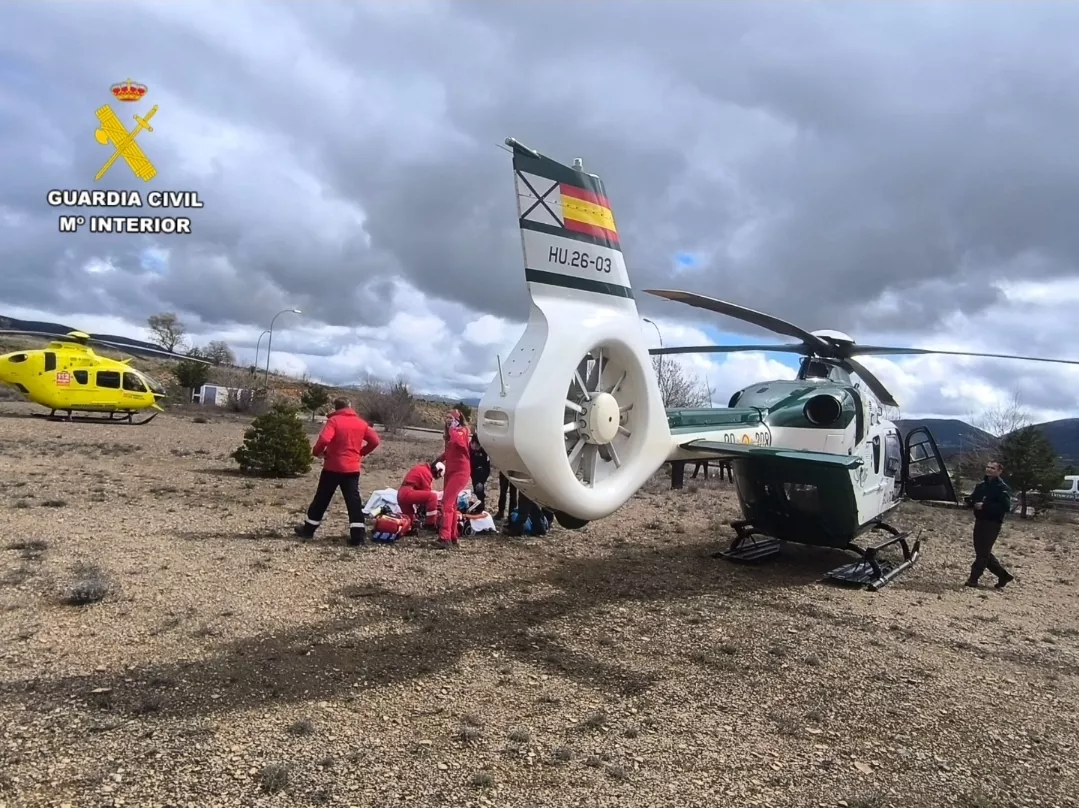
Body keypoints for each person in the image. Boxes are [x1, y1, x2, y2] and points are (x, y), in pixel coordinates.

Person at [294, 398, 380, 546]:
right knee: (353, 502)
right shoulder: (361, 423)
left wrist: (317, 452)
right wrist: (361, 452)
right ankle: (358, 536)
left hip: (332, 467)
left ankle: (308, 530)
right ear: (350, 407)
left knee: (322, 499)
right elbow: (375, 441)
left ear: (336, 408)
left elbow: (324, 439)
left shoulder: (334, 421)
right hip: (352, 469)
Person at [966, 460, 1016, 589]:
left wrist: (985, 506)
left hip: (992, 523)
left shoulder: (1002, 488)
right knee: (982, 552)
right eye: (988, 467)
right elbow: (974, 499)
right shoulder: (981, 485)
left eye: (993, 468)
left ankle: (973, 579)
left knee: (983, 553)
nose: (989, 470)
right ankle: (1003, 575)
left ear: (999, 471)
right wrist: (970, 502)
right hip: (980, 521)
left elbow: (1005, 507)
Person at [435, 409, 471, 548]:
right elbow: (450, 451)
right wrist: (439, 459)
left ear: (457, 419)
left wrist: (452, 430)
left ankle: (444, 538)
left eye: (450, 418)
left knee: (447, 503)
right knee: (452, 504)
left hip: (460, 472)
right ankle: (452, 535)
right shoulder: (451, 434)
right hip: (451, 471)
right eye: (446, 417)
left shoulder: (461, 431)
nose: (448, 420)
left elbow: (459, 442)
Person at [397, 460, 444, 525]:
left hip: (401, 494)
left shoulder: (421, 468)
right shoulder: (427, 473)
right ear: (437, 470)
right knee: (433, 497)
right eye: (438, 475)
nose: (436, 477)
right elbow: (427, 492)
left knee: (410, 521)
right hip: (407, 493)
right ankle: (430, 523)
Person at [470, 433, 491, 509]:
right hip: (470, 476)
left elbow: (487, 468)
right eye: (476, 446)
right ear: (473, 442)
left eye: (479, 446)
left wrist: (482, 482)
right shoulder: (468, 449)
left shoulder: (484, 451)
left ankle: (480, 510)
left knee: (479, 495)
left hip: (479, 477)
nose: (477, 448)